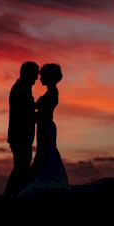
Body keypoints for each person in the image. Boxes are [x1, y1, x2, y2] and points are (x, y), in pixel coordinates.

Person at [19, 63, 69, 195]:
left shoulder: (51, 93)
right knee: (45, 154)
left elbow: (42, 114)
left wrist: (29, 114)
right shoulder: (51, 92)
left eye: (42, 76)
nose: (39, 79)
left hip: (45, 126)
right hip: (44, 126)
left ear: (49, 77)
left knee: (44, 154)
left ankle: (41, 184)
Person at [5, 61, 40, 195]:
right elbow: (25, 113)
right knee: (21, 168)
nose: (37, 78)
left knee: (21, 167)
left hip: (20, 136)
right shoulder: (21, 89)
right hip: (20, 136)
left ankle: (13, 195)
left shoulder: (22, 88)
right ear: (28, 74)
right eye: (35, 74)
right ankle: (11, 196)